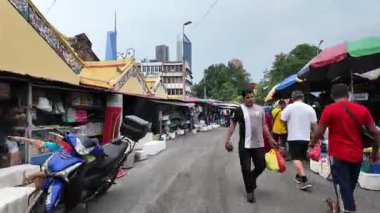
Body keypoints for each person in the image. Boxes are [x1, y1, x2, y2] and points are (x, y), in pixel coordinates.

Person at [310, 84, 379, 213]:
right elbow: (374, 132)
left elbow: (319, 132)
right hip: (357, 155)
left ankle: (349, 209)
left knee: (343, 186)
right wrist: (375, 150)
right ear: (348, 95)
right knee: (350, 185)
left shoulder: (329, 109)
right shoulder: (362, 109)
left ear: (332, 96)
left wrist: (312, 143)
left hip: (338, 156)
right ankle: (338, 206)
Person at [225, 89, 277, 203]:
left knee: (261, 165)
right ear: (244, 99)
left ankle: (252, 179)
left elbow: (264, 126)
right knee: (245, 169)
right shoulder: (239, 110)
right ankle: (250, 190)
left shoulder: (260, 109)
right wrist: (227, 140)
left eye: (252, 96)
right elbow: (233, 125)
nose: (251, 99)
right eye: (248, 97)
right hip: (244, 145)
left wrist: (271, 139)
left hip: (259, 144)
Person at [281, 90, 317, 190]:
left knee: (295, 158)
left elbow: (283, 120)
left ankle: (304, 179)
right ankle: (298, 176)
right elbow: (315, 125)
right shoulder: (310, 108)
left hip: (294, 137)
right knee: (301, 158)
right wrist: (316, 138)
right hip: (305, 137)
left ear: (292, 98)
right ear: (303, 97)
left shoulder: (289, 107)